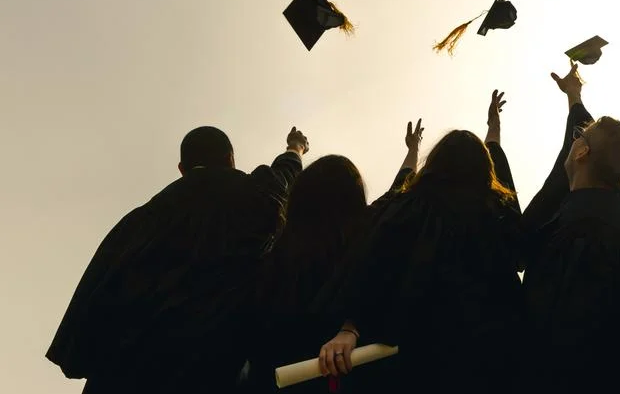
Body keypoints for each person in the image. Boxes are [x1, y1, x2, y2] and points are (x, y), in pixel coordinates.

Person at [46, 125, 308, 394]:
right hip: (206, 362)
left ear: (182, 168)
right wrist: (295, 148)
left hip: (124, 367)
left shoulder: (138, 221)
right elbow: (284, 179)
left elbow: (97, 292)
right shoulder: (253, 194)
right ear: (230, 159)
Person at [316, 90, 523, 394]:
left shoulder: (408, 207)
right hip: (491, 361)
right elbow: (502, 182)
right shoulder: (497, 211)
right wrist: (494, 127)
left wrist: (350, 327)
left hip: (418, 358)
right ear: (485, 168)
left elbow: (374, 263)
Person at [243, 120, 426, 393]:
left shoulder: (278, 252)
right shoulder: (368, 232)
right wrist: (413, 150)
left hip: (284, 373)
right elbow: (400, 189)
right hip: (350, 371)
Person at [520, 62, 620, 393]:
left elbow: (565, 343)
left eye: (578, 138)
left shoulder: (581, 236)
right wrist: (574, 95)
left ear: (582, 151)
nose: (572, 142)